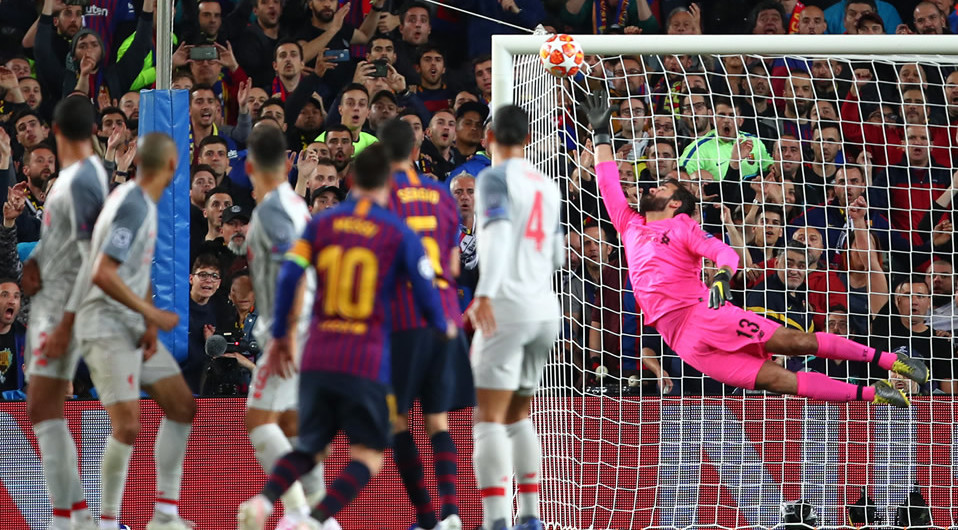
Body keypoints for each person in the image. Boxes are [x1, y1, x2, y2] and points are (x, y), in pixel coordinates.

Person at [582, 89, 926, 409]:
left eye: (661, 187)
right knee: (777, 381)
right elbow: (608, 181)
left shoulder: (682, 226)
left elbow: (723, 252)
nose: (651, 187)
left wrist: (721, 276)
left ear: (674, 203)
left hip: (704, 313)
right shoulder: (630, 224)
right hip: (681, 340)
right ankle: (875, 394)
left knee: (796, 343)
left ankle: (890, 361)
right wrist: (600, 136)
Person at [237, 143, 453, 530]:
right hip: (363, 356)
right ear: (388, 185)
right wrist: (443, 328)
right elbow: (426, 290)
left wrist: (284, 331)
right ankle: (314, 519)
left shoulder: (324, 223)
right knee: (368, 455)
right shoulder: (396, 231)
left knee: (309, 444)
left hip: (318, 349)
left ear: (351, 181)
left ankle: (266, 501)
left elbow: (290, 274)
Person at [73, 133, 195, 529]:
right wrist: (152, 314)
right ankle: (107, 523)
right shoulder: (132, 204)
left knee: (181, 405)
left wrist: (145, 322)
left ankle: (164, 516)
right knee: (127, 424)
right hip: (103, 322)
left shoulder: (142, 202)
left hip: (129, 322)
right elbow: (103, 272)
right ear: (173, 165)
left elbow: (135, 270)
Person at [466, 104, 563, 530]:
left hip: (506, 308)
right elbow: (559, 255)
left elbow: (501, 233)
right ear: (528, 139)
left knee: (488, 418)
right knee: (519, 414)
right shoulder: (548, 185)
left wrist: (484, 293)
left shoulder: (493, 177)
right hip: (545, 309)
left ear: (489, 139)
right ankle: (529, 514)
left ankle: (494, 522)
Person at [381, 118, 473, 530]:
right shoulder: (441, 194)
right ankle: (452, 513)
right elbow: (452, 263)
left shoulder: (381, 196)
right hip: (446, 314)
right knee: (437, 420)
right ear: (417, 150)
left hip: (405, 316)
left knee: (397, 420)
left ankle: (424, 517)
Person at [22, 96, 108, 530]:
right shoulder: (78, 178)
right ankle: (73, 515)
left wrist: (65, 327)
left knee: (43, 406)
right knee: (44, 408)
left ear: (54, 132)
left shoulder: (81, 184)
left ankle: (68, 517)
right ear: (94, 131)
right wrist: (38, 261)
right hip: (55, 303)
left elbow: (92, 257)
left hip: (66, 310)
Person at [241, 125, 330, 529]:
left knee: (259, 422)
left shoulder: (274, 210)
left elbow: (290, 273)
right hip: (310, 326)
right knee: (293, 427)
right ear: (289, 162)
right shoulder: (296, 205)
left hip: (293, 331)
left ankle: (296, 513)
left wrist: (285, 335)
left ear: (248, 166)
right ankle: (320, 514)